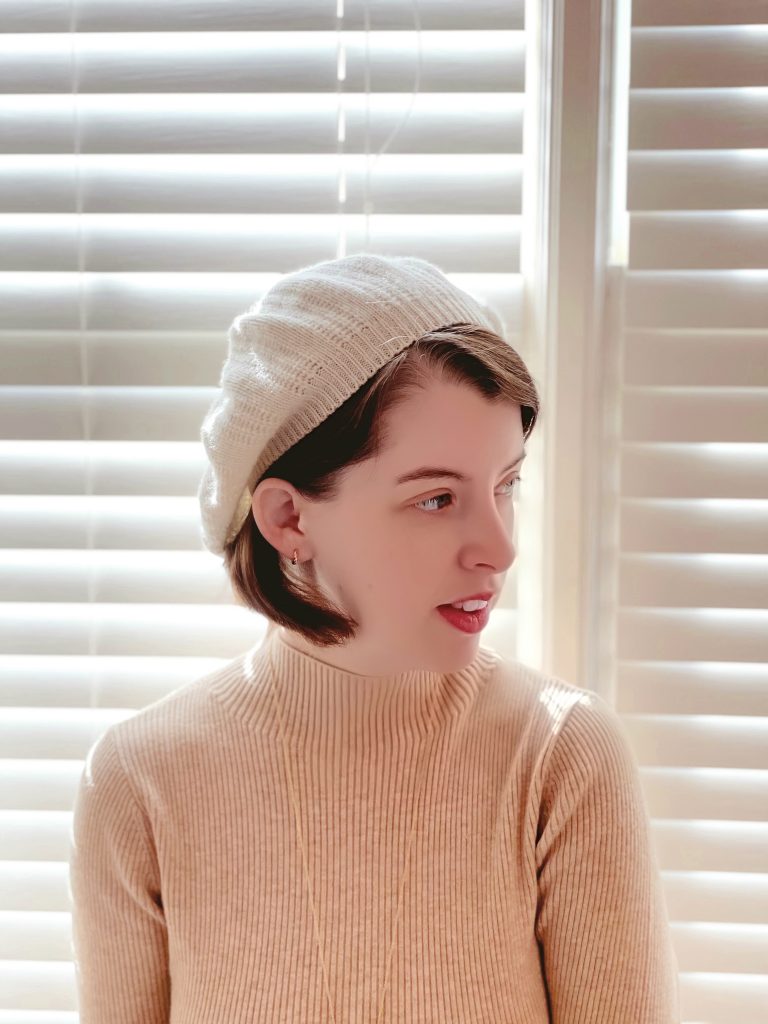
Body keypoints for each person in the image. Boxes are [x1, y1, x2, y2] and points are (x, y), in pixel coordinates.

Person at [68, 253, 680, 1022]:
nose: (499, 548)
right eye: (436, 499)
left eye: (506, 486)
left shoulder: (561, 757)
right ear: (289, 519)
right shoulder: (138, 782)